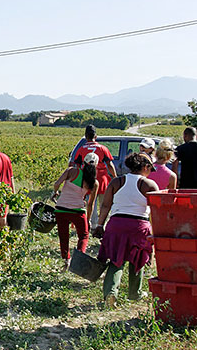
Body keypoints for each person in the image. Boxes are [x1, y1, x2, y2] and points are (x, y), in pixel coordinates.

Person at [94, 152, 159, 308]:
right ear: (145, 167)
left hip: (116, 225)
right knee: (138, 259)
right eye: (150, 168)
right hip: (138, 226)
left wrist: (99, 225)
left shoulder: (116, 182)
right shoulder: (149, 185)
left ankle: (110, 292)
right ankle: (134, 293)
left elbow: (105, 206)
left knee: (116, 260)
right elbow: (157, 211)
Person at [52, 152, 99, 269]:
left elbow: (57, 184)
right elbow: (90, 204)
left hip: (61, 209)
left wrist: (55, 192)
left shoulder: (71, 171)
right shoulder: (94, 182)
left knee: (63, 236)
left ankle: (66, 260)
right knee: (83, 236)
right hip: (78, 211)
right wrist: (87, 220)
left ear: (83, 162)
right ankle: (78, 260)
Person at [72, 125, 117, 228]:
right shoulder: (103, 148)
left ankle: (92, 224)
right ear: (95, 136)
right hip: (102, 178)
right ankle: (102, 224)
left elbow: (77, 166)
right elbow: (110, 165)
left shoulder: (81, 149)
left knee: (90, 202)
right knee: (103, 203)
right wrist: (115, 177)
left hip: (88, 178)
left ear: (86, 136)